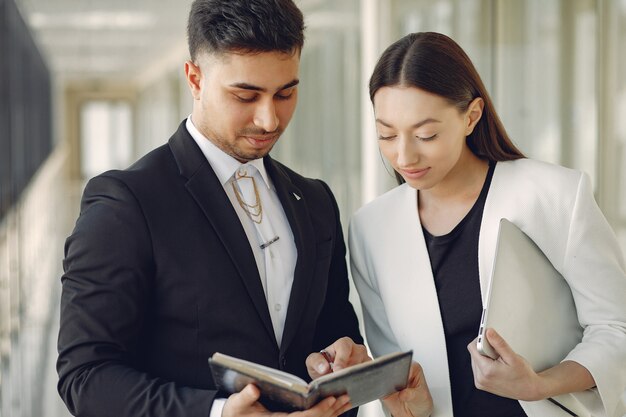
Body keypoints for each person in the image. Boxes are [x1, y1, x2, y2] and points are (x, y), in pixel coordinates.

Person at [56, 1, 370, 416]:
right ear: (195, 78)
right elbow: (85, 376)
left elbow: (333, 330)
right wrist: (217, 413)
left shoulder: (314, 201)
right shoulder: (127, 203)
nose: (269, 120)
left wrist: (340, 358)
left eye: (286, 93)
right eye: (246, 95)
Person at [349, 31, 626, 417]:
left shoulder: (555, 194)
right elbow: (393, 374)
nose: (404, 154)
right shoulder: (371, 229)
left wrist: (540, 384)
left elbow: (616, 328)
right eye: (387, 134)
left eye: (426, 134)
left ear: (471, 116)